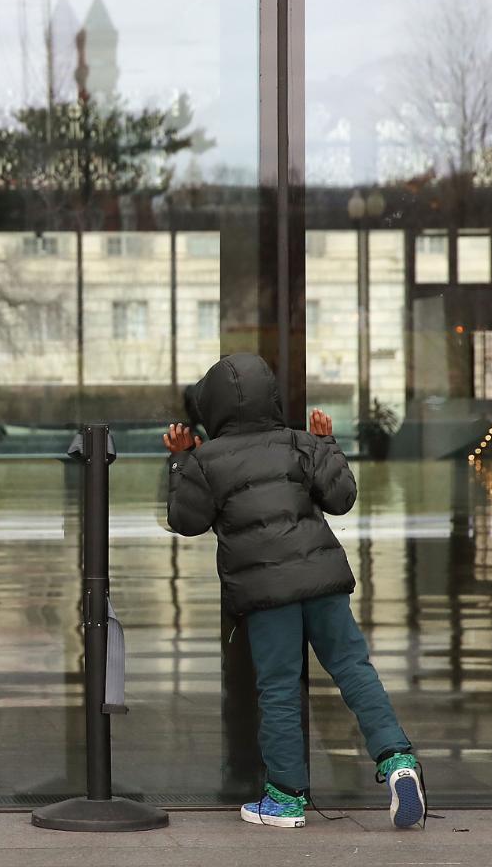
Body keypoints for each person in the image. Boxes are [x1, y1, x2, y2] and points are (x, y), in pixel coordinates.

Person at [162, 352, 424, 830]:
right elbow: (341, 499)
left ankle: (285, 799)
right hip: (321, 581)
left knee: (279, 689)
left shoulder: (206, 460)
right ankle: (397, 761)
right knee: (354, 670)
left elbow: (186, 521)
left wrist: (180, 459)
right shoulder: (300, 443)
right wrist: (327, 443)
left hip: (266, 593)